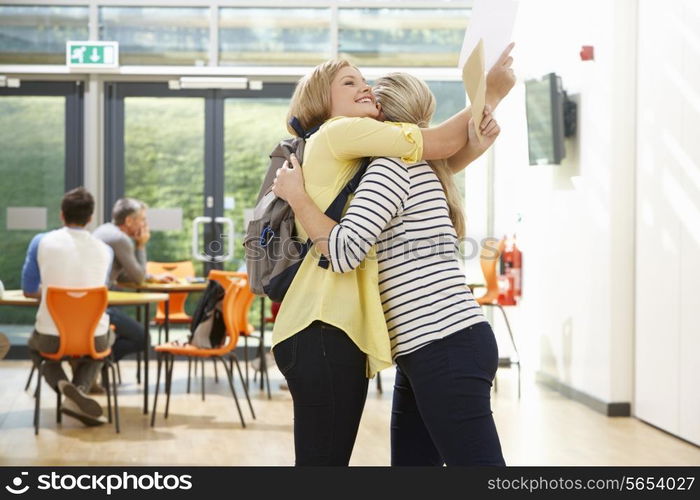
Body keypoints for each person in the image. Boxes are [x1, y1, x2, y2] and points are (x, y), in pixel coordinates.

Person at [270, 49, 514, 466]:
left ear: (382, 119)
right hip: (428, 347)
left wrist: (297, 197)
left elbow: (344, 253)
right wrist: (479, 125)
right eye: (352, 84)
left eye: (368, 90)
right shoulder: (407, 167)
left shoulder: (389, 167)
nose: (363, 90)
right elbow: (445, 154)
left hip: (441, 341)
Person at [22, 187, 113, 426]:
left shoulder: (41, 242)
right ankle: (79, 391)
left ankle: (66, 390)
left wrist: (52, 292)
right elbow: (93, 290)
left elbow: (29, 289)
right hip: (93, 336)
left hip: (52, 336)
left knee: (35, 348)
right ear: (91, 218)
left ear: (62, 215)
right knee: (103, 346)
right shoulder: (106, 250)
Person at [93, 198, 174, 363]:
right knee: (142, 338)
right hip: (99, 307)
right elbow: (137, 278)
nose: (145, 225)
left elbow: (121, 275)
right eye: (142, 219)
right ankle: (95, 363)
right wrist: (141, 245)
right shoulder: (120, 239)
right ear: (129, 221)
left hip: (90, 304)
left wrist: (152, 278)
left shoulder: (104, 230)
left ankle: (93, 363)